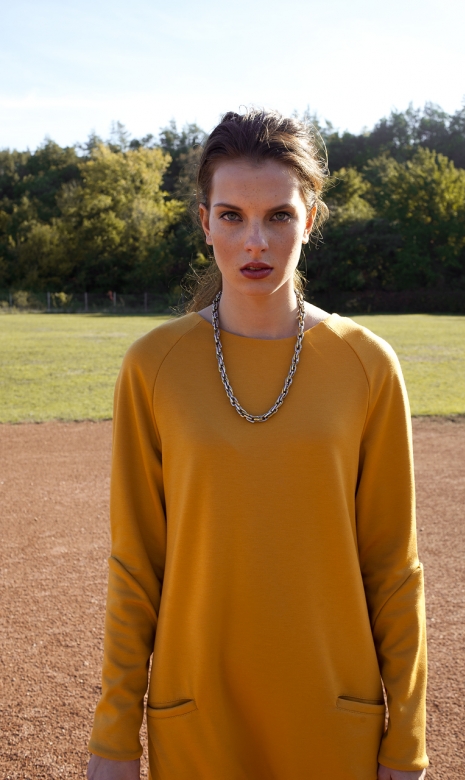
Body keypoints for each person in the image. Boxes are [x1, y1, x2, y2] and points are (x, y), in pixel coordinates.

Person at [87, 109, 428, 780]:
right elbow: (135, 566)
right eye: (232, 215)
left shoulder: (367, 364)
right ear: (204, 222)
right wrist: (114, 735)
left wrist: (407, 740)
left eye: (278, 216)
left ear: (310, 220)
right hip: (196, 716)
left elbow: (394, 569)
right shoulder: (153, 365)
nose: (255, 242)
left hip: (334, 714)